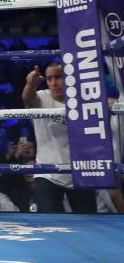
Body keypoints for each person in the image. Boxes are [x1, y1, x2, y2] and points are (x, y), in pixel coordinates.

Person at [22, 64, 96, 213]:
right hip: (48, 173)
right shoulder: (42, 97)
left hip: (80, 171)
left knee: (88, 223)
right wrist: (31, 84)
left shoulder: (84, 100)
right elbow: (28, 98)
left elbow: (107, 102)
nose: (54, 83)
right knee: (50, 224)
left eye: (58, 77)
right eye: (49, 79)